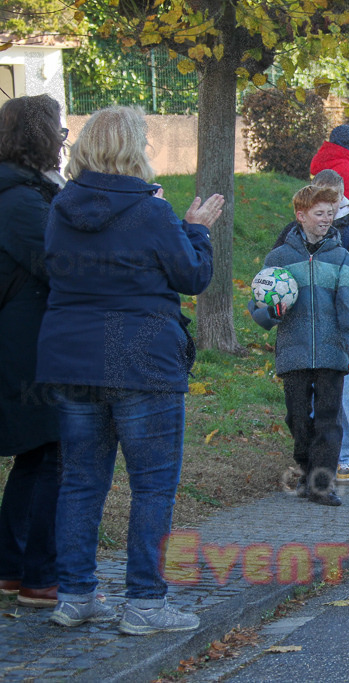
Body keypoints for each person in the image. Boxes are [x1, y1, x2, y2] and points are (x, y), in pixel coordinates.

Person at [37, 106, 222, 634]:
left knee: (80, 482)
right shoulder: (151, 212)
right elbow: (192, 277)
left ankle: (74, 595)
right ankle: (144, 603)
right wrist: (197, 229)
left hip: (71, 355)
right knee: (152, 487)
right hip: (141, 354)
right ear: (132, 147)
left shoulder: (60, 207)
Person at [252, 185, 349, 505]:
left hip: (333, 353)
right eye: (319, 214)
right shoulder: (279, 258)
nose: (326, 220)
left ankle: (321, 483)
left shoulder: (341, 257)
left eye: (331, 214)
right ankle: (307, 466)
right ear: (300, 216)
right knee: (299, 418)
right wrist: (269, 314)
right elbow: (259, 309)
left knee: (329, 418)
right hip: (295, 352)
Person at [0, 94, 64, 610]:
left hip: (28, 341)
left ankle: (12, 567)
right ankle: (39, 575)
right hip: (26, 348)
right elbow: (58, 264)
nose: (64, 140)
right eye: (59, 130)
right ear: (38, 137)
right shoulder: (20, 200)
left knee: (37, 456)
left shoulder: (26, 192)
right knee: (50, 455)